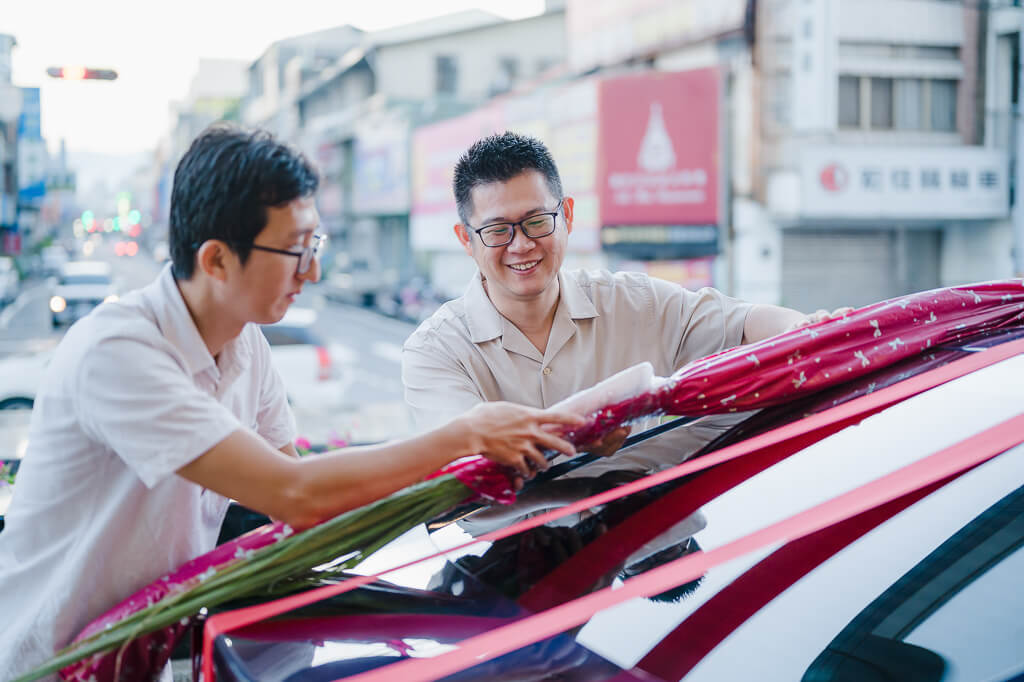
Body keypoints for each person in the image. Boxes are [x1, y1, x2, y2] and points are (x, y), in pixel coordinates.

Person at [0, 125, 580, 681]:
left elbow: (301, 505)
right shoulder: (119, 352)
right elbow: (294, 493)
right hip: (45, 664)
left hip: (133, 658)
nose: (315, 269)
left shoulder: (244, 342)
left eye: (314, 244)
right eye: (296, 250)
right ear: (216, 260)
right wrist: (467, 435)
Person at [402, 131, 848, 446]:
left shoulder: (634, 303)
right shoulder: (436, 351)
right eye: (498, 230)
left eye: (537, 221)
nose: (521, 245)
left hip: (651, 541)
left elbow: (742, 322)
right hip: (503, 553)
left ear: (567, 216)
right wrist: (570, 435)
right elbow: (464, 450)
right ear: (466, 240)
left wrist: (805, 330)